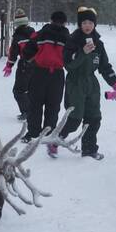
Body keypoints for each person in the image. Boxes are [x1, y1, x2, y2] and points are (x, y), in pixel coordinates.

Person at [51, 7, 116, 160]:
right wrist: (82, 53)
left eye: (90, 22)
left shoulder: (99, 44)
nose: (87, 25)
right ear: (79, 24)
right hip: (75, 82)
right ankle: (54, 140)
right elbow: (68, 65)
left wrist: (115, 84)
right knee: (75, 119)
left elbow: (104, 66)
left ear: (95, 24)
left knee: (94, 118)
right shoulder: (72, 41)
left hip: (92, 84)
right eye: (84, 22)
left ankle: (89, 150)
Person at [21, 11, 69, 143]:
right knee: (53, 106)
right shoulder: (68, 37)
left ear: (51, 20)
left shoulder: (41, 33)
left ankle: (33, 133)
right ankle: (48, 133)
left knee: (35, 104)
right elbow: (71, 56)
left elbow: (27, 51)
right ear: (65, 22)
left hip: (39, 72)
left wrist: (30, 60)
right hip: (57, 74)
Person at [3, 9, 36, 121]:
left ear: (16, 24)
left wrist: (9, 66)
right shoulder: (34, 33)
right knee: (31, 90)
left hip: (25, 65)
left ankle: (27, 112)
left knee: (18, 90)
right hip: (37, 65)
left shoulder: (18, 36)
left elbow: (13, 53)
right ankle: (33, 112)